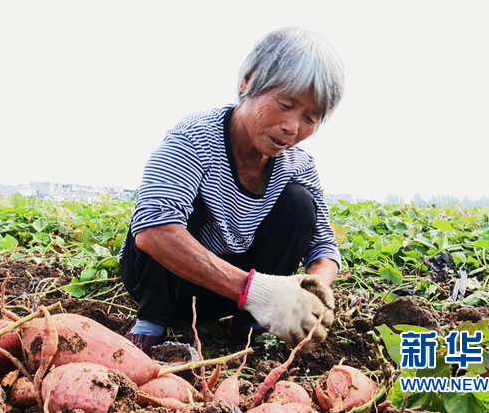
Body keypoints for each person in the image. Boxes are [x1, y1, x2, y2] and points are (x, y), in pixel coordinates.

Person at [120, 27, 345, 354]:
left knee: (300, 204)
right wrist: (258, 292)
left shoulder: (298, 165)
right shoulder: (194, 138)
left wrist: (313, 291)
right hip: (166, 283)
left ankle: (248, 323)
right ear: (248, 82)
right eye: (285, 104)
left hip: (229, 294)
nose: (292, 128)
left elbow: (323, 246)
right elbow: (153, 231)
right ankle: (152, 321)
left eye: (310, 118)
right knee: (178, 210)